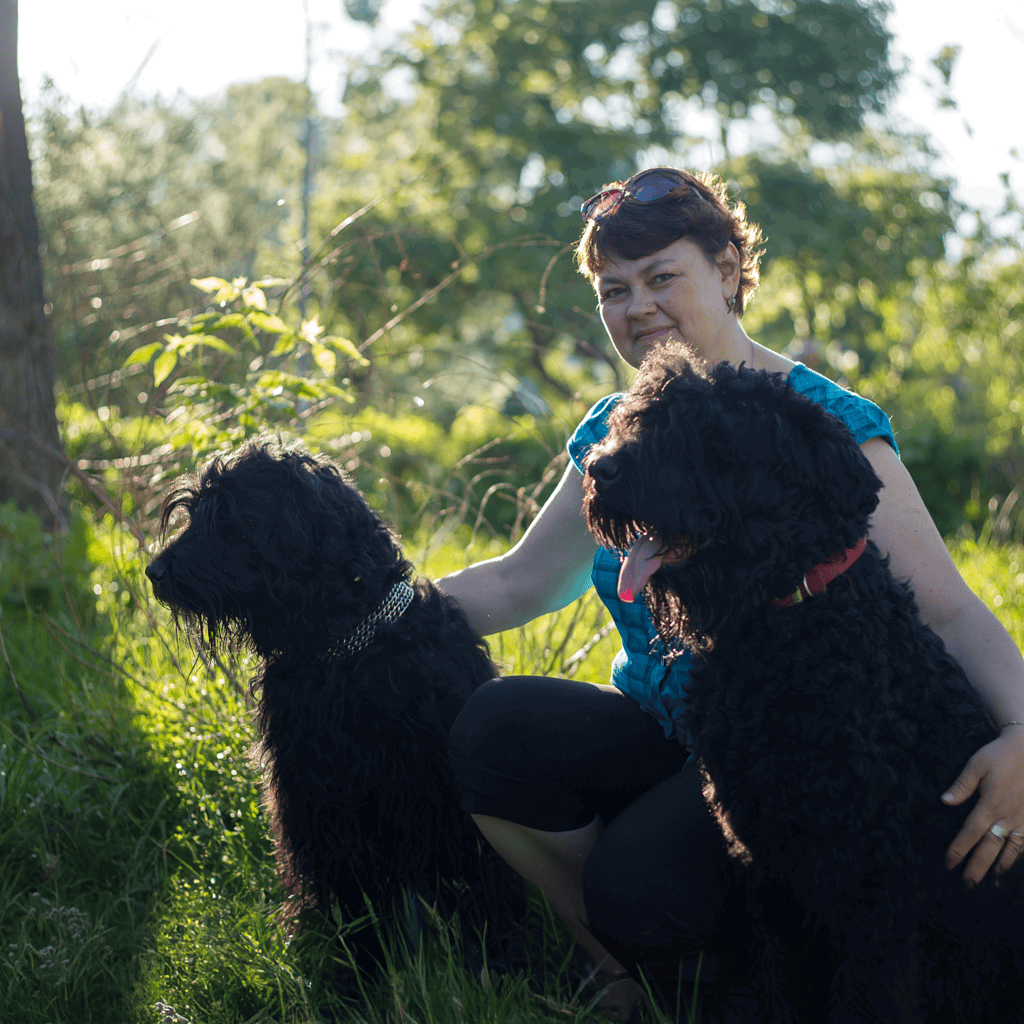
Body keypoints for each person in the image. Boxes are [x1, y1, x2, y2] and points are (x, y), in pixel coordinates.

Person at [437, 167, 1024, 1018]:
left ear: (727, 269)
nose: (636, 307)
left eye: (660, 277)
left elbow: (949, 610)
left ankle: (716, 969)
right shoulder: (616, 435)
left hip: (790, 732)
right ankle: (624, 972)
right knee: (498, 729)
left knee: (642, 883)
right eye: (614, 290)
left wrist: (1023, 734)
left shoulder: (816, 423)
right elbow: (524, 579)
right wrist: (373, 612)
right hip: (674, 720)